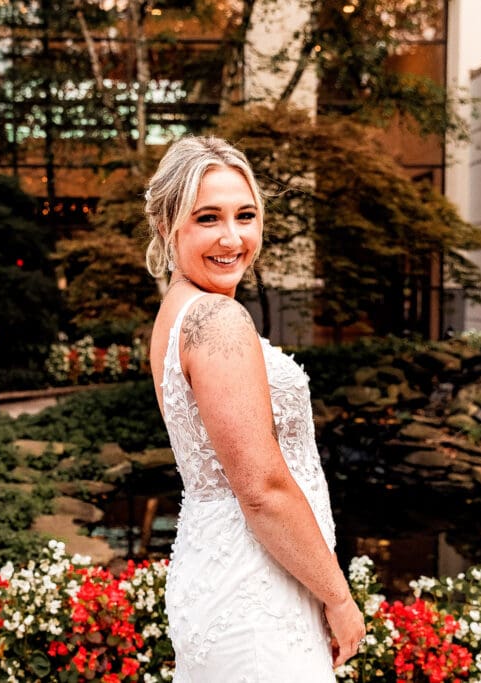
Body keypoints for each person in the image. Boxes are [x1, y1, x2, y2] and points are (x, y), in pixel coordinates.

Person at [145, 136, 367, 681]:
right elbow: (262, 489)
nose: (232, 237)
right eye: (208, 218)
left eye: (245, 215)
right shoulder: (217, 320)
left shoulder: (177, 313)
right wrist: (339, 597)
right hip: (256, 593)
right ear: (167, 226)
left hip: (225, 572)